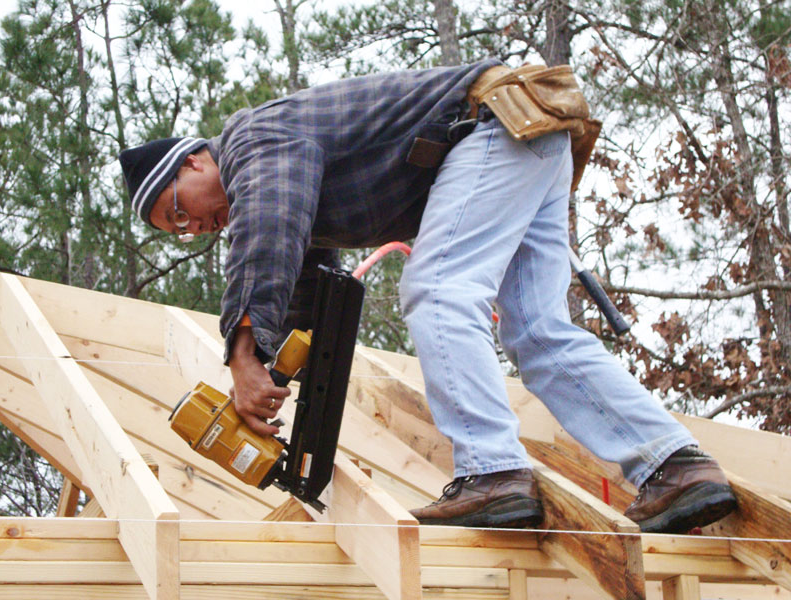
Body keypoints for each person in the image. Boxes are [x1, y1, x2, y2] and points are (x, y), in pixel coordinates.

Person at [118, 59, 737, 533]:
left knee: (439, 289)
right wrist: (282, 383)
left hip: (494, 126)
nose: (194, 227)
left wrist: (242, 353)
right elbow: (311, 300)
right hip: (528, 134)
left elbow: (268, 226)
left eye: (179, 208)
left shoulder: (251, 139)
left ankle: (492, 473)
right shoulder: (284, 186)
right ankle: (676, 467)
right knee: (538, 331)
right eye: (178, 231)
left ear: (197, 161)